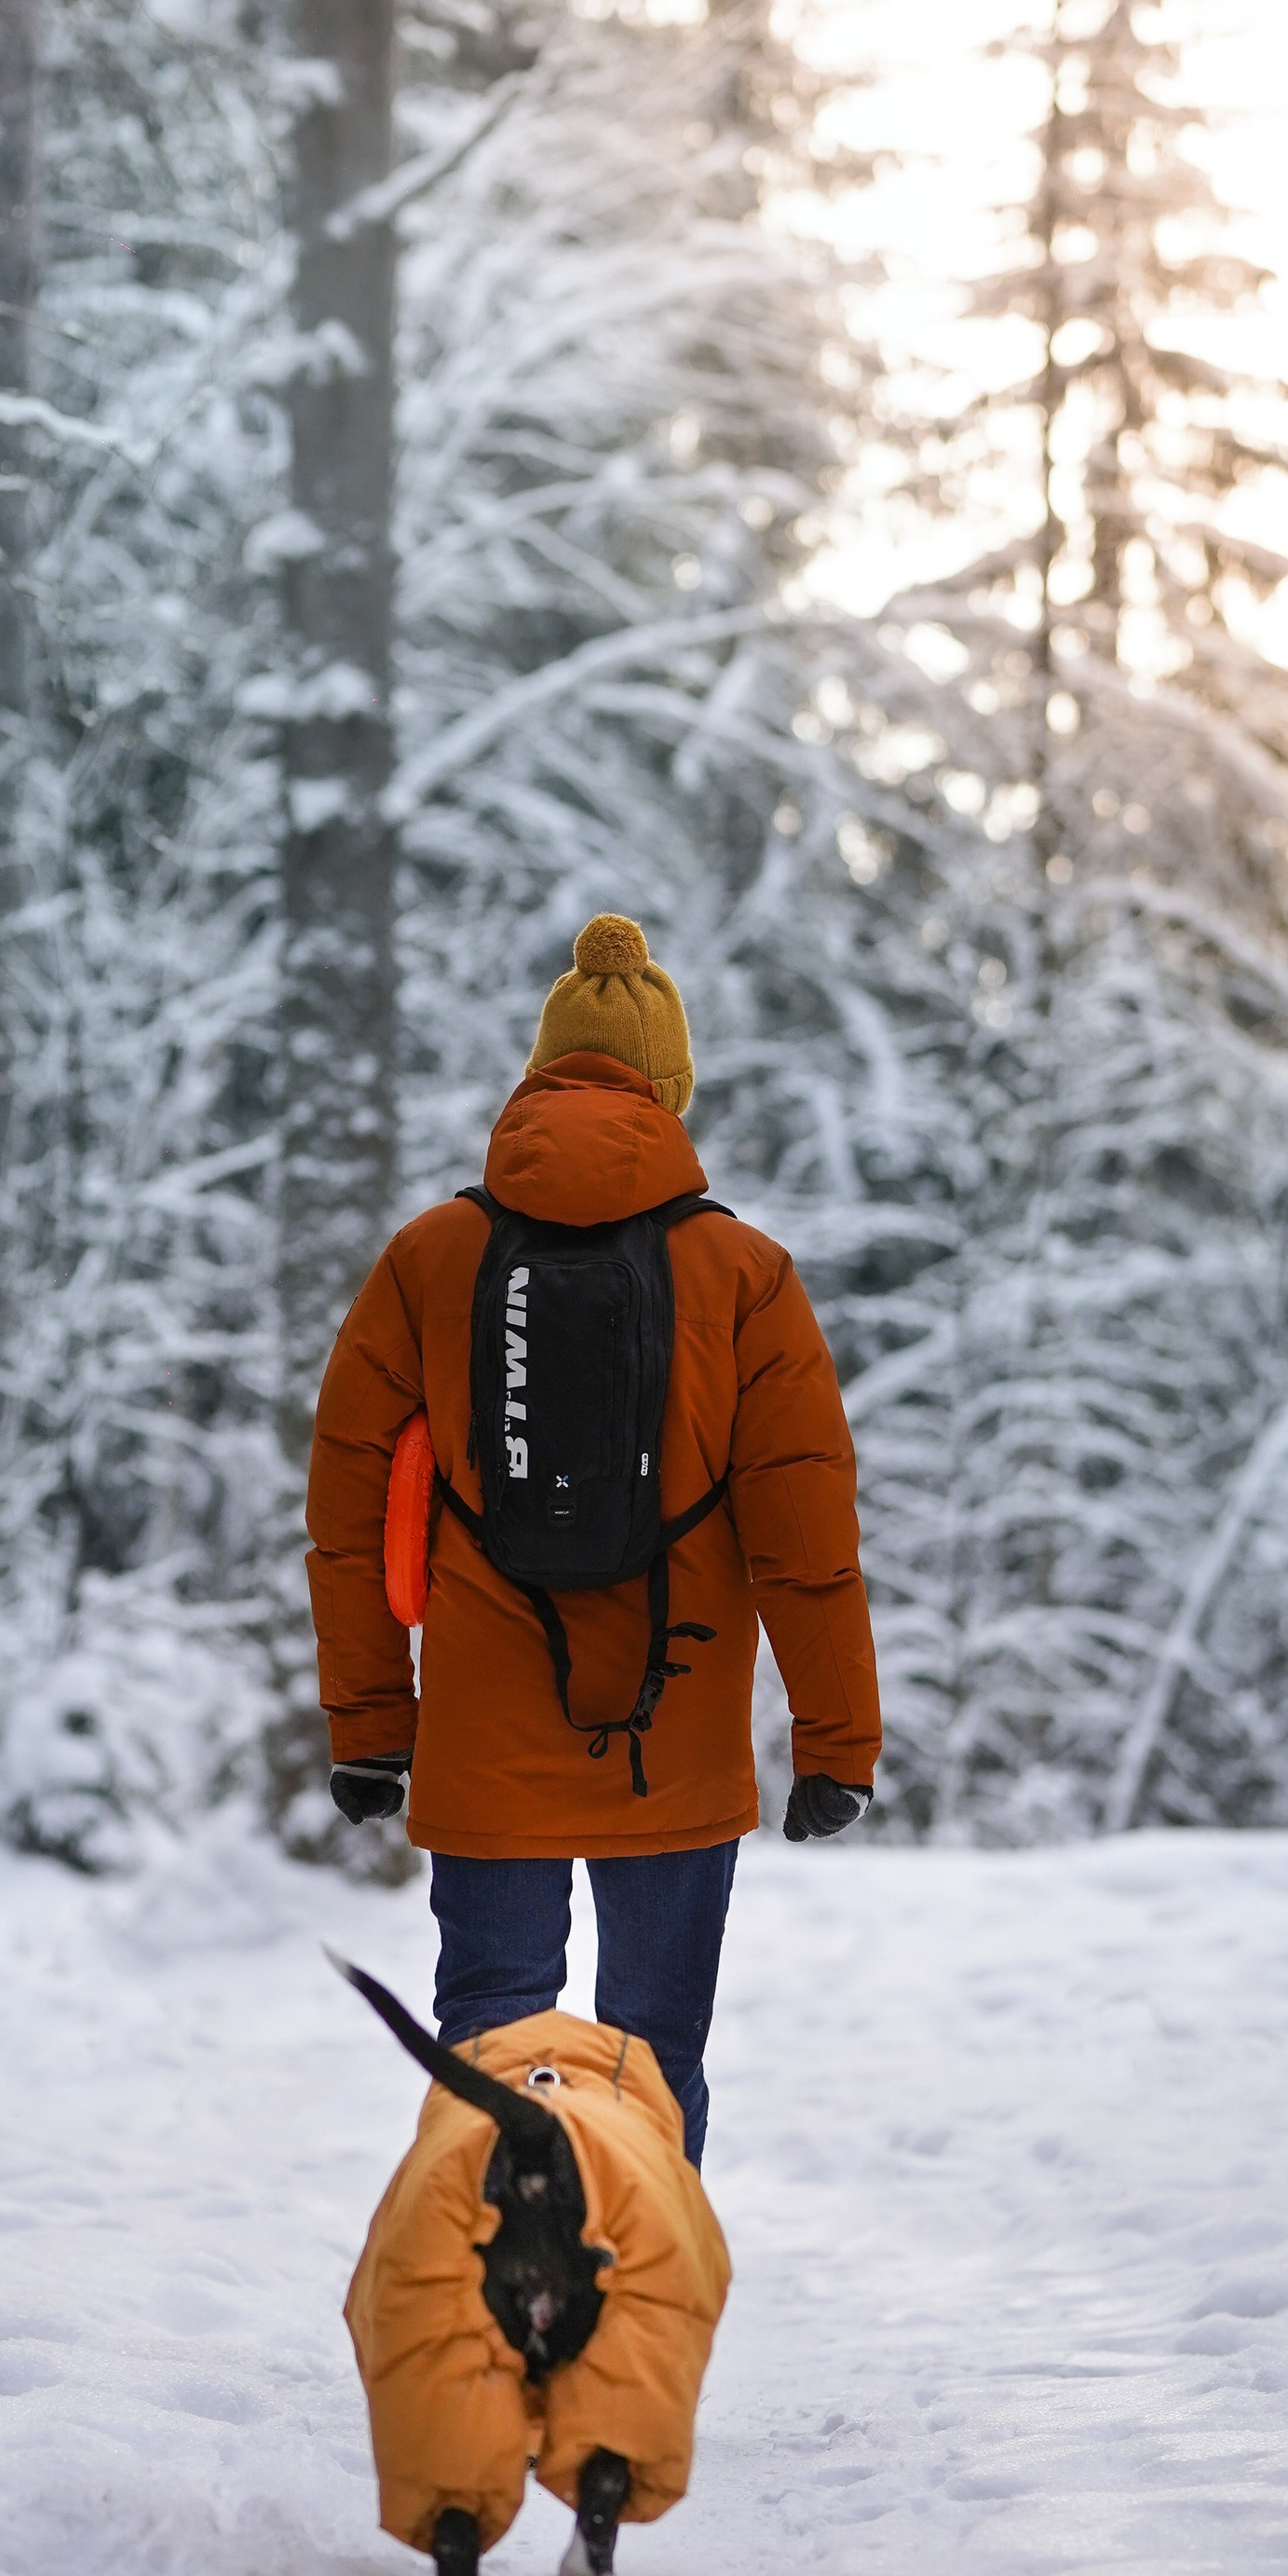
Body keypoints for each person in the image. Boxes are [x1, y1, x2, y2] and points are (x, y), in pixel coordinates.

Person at [305, 913, 882, 2168]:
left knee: (495, 2046)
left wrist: (367, 1724)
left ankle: (491, 2324)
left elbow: (348, 1516)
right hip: (668, 1739)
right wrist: (837, 1742)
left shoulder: (430, 1258)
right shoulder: (747, 1274)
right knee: (654, 2061)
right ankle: (633, 2327)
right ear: (672, 1092)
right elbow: (804, 1533)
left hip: (479, 1733)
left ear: (536, 1076)